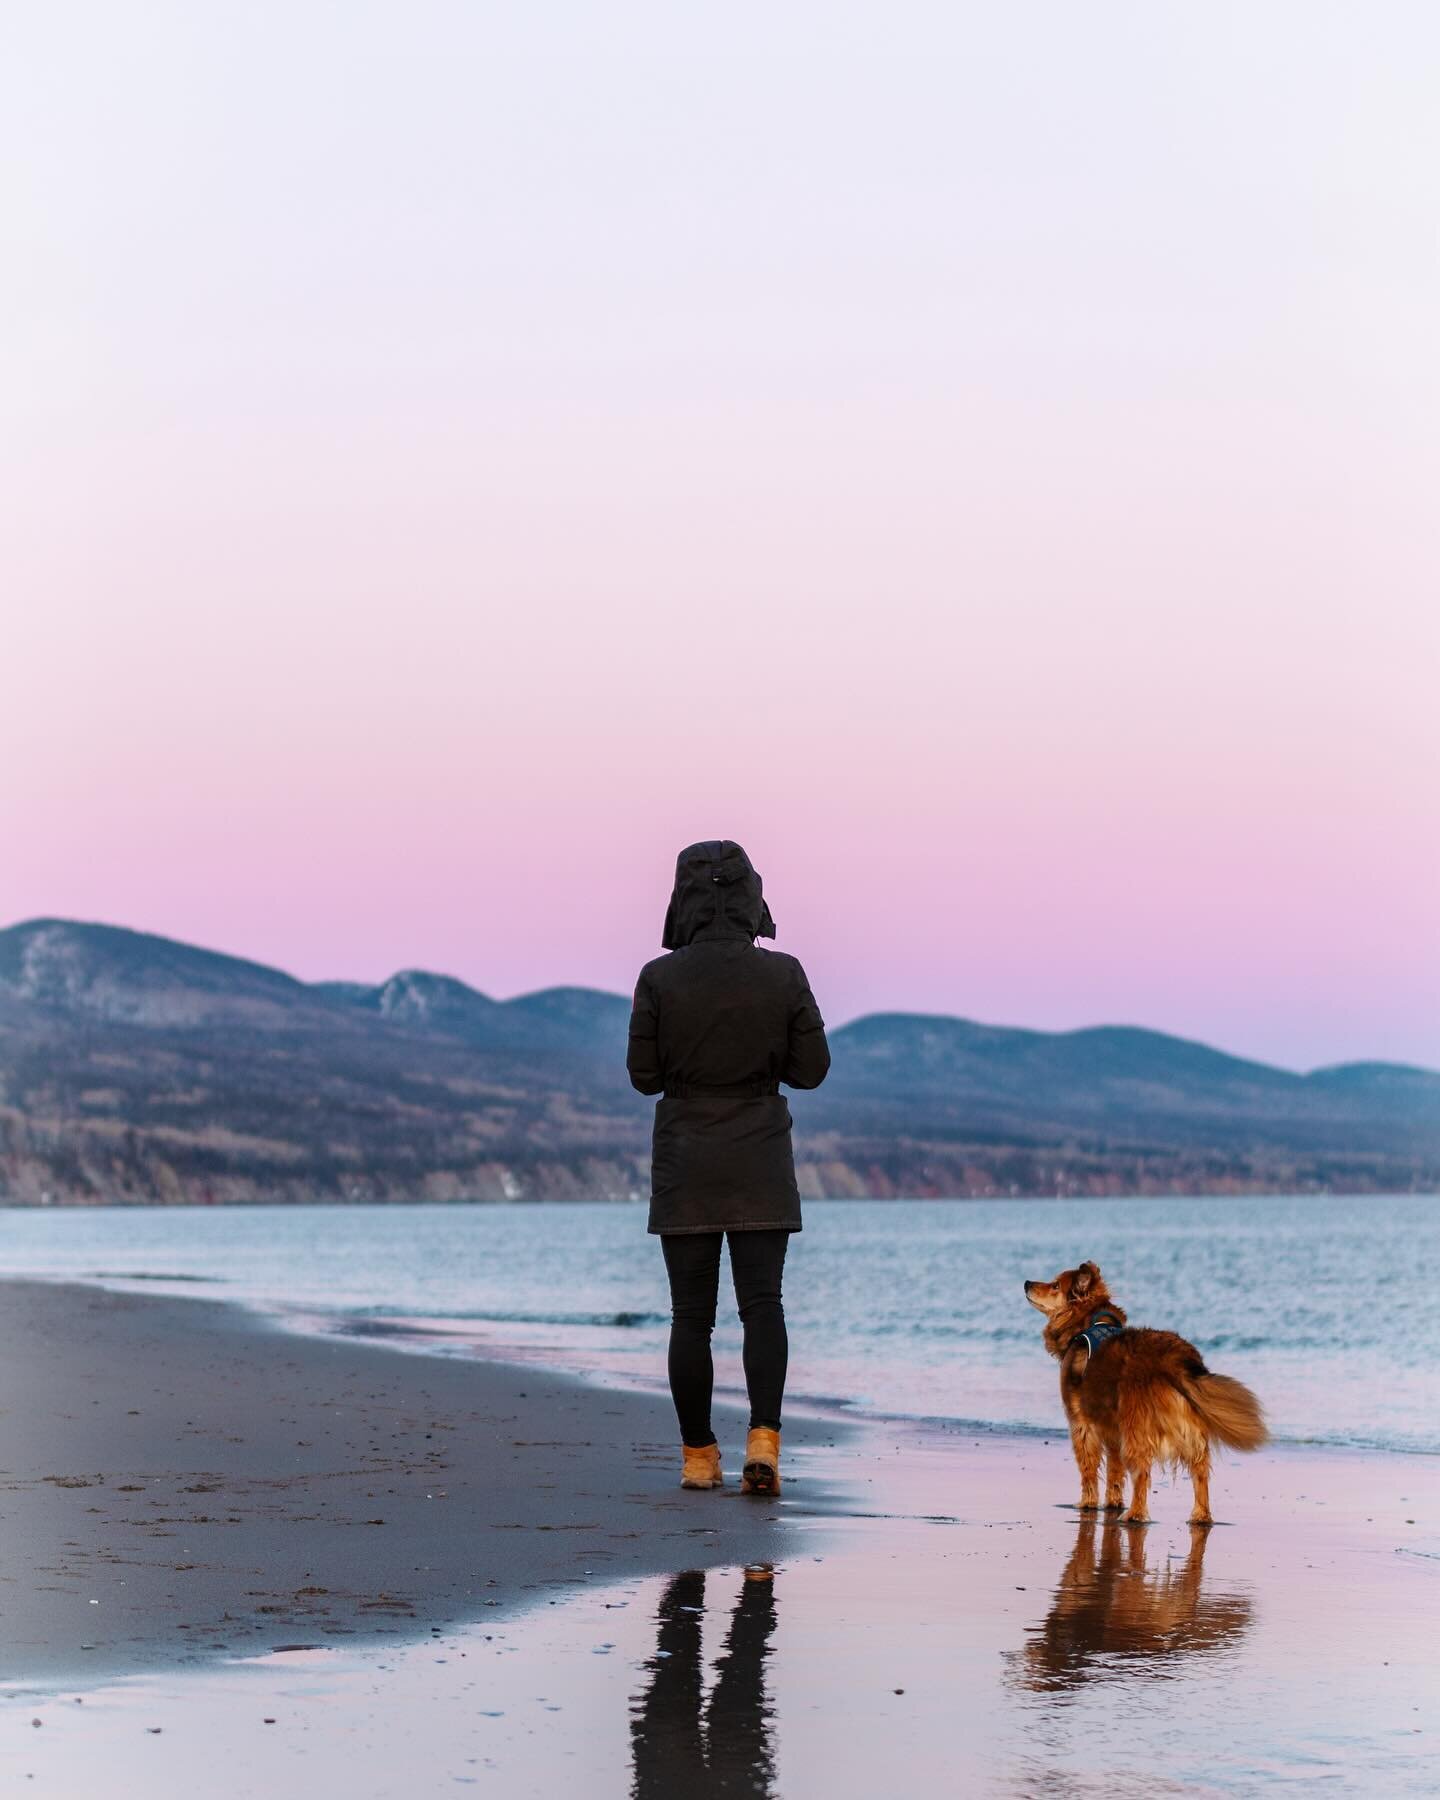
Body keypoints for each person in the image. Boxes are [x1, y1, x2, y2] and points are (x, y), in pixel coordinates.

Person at [627, 840, 830, 1495]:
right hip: (759, 1156)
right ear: (750, 897)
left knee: (691, 1318)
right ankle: (763, 1442)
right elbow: (811, 1071)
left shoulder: (659, 979)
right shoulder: (785, 973)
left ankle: (697, 1458)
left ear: (682, 898)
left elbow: (643, 1077)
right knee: (762, 1307)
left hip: (686, 1156)